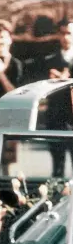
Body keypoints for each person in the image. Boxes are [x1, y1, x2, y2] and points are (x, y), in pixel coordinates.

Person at [45, 19, 73, 177]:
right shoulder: (49, 61)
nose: (65, 37)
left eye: (69, 33)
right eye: (62, 33)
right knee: (57, 168)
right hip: (55, 119)